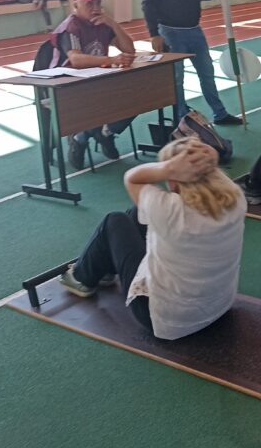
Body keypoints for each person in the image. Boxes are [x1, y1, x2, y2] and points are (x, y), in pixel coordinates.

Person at [59, 138, 246, 340]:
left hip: (164, 318)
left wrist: (167, 168)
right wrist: (207, 158)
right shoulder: (236, 198)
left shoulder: (169, 208)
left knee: (115, 221)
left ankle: (81, 277)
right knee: (135, 213)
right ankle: (103, 267)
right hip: (218, 306)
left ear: (173, 179)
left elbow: (131, 177)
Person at [141, 0, 242, 127]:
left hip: (194, 30)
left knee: (207, 73)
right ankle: (182, 119)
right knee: (177, 79)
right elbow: (148, 3)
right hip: (169, 32)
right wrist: (154, 34)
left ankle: (219, 113)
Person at [50, 0, 137, 167]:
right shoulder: (71, 27)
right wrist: (112, 59)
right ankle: (80, 138)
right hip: (70, 85)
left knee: (138, 95)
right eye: (89, 4)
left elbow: (129, 49)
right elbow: (76, 59)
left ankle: (106, 132)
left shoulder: (103, 24)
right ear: (76, 5)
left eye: (98, 3)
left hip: (99, 80)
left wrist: (113, 24)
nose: (95, 8)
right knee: (95, 101)